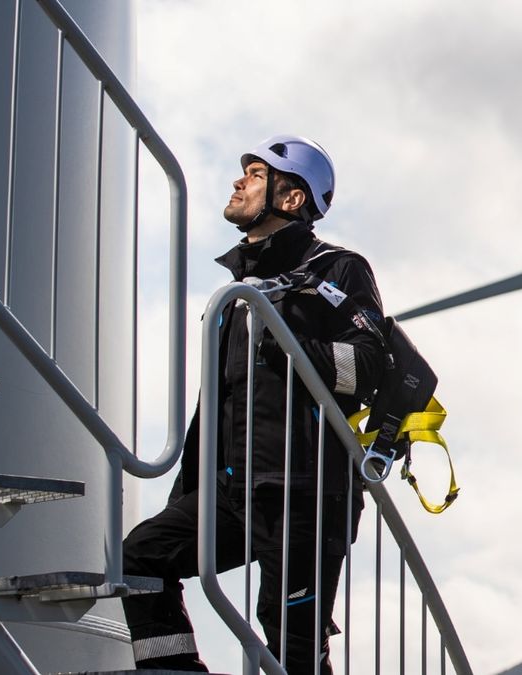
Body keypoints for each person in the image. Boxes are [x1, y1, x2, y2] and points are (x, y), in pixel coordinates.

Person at [122, 135, 387, 673]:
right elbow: (217, 403)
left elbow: (367, 368)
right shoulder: (240, 289)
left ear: (291, 199)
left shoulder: (337, 270)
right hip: (233, 489)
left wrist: (290, 346)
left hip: (305, 494)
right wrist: (191, 490)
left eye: (256, 174)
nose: (239, 181)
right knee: (140, 558)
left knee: (291, 643)